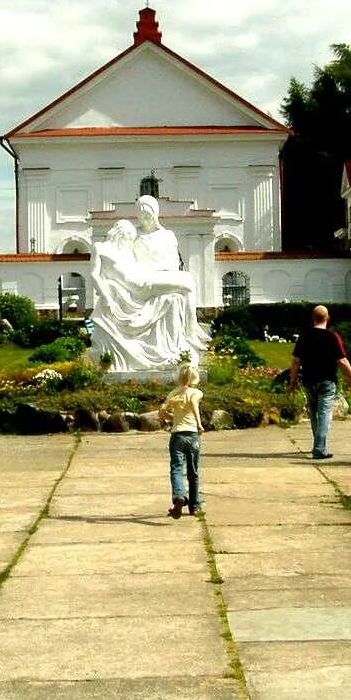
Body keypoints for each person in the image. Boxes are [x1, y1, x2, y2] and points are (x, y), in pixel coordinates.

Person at [86, 195, 209, 373]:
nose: (144, 218)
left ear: (155, 213)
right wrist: (106, 296)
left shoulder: (165, 235)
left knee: (186, 283)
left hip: (153, 277)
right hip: (143, 282)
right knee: (188, 283)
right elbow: (98, 273)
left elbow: (172, 261)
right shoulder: (128, 239)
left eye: (148, 213)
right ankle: (191, 332)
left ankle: (190, 331)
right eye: (141, 214)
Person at [290, 305, 351, 459]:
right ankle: (319, 449)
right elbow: (342, 361)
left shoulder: (304, 336)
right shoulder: (332, 336)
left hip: (309, 380)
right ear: (327, 318)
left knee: (314, 414)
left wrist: (292, 382)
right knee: (324, 415)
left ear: (313, 318)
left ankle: (318, 445)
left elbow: (296, 361)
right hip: (327, 381)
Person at [159, 359, 205, 517]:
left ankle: (179, 495)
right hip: (192, 436)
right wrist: (199, 424)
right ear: (194, 378)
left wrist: (172, 417)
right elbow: (193, 404)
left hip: (177, 436)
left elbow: (162, 413)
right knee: (193, 471)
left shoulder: (173, 394)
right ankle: (195, 506)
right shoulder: (196, 393)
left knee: (177, 469)